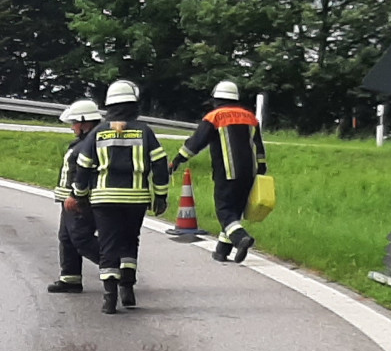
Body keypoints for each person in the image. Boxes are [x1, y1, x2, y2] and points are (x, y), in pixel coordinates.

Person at [69, 79, 171, 314]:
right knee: (130, 241)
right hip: (136, 199)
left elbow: (83, 165)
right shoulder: (145, 131)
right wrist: (160, 196)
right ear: (134, 105)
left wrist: (80, 195)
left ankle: (109, 297)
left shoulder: (98, 132)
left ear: (109, 105)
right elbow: (160, 163)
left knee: (108, 244)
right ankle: (127, 288)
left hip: (104, 200)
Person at [172, 79, 267, 263]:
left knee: (224, 210)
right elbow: (258, 146)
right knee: (234, 211)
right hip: (249, 173)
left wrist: (178, 159)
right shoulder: (250, 117)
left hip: (227, 172)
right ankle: (222, 251)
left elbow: (196, 142)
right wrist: (261, 167)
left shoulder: (214, 117)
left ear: (216, 99)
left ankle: (241, 238)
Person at [48, 98, 103, 293]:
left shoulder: (91, 143)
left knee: (80, 238)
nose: (72, 127)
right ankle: (70, 279)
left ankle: (114, 266)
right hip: (69, 199)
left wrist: (77, 196)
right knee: (66, 237)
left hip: (80, 200)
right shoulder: (83, 142)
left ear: (85, 122)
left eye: (74, 123)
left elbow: (84, 174)